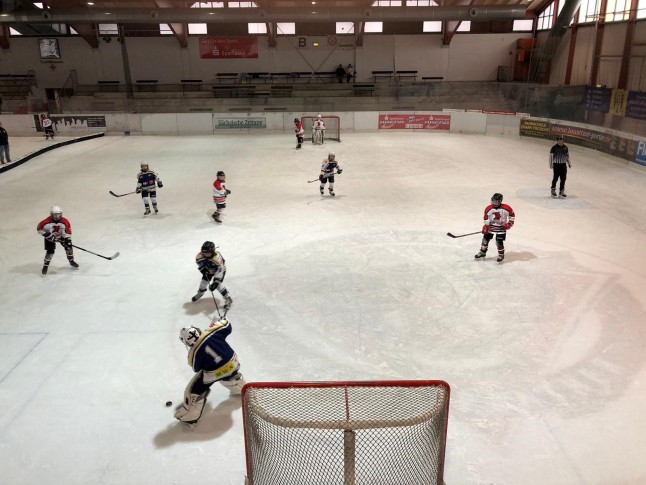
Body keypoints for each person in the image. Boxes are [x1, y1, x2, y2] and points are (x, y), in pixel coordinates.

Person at [174, 318, 247, 425]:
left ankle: (192, 414)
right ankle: (241, 387)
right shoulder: (212, 331)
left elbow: (196, 368)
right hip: (233, 363)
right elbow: (227, 324)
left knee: (195, 387)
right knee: (229, 374)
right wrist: (217, 322)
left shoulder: (192, 354)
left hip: (215, 373)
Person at [36, 206, 78, 275]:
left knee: (69, 247)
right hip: (50, 238)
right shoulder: (45, 222)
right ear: (51, 214)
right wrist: (48, 236)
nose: (56, 216)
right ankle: (45, 266)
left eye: (58, 214)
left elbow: (68, 231)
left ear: (61, 214)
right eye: (55, 214)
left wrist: (68, 239)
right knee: (50, 252)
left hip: (61, 236)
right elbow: (39, 229)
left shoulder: (65, 221)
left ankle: (71, 261)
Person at [191, 241, 233, 310]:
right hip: (209, 269)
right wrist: (202, 269)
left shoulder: (217, 258)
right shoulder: (200, 255)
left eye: (208, 253)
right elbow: (198, 262)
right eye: (204, 253)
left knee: (218, 285)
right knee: (203, 282)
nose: (206, 254)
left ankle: (228, 298)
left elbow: (220, 268)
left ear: (212, 251)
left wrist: (216, 281)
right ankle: (200, 293)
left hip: (219, 269)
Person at [475, 193, 515, 263]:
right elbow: (486, 218)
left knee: (499, 242)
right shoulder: (488, 208)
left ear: (500, 201)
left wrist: (509, 224)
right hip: (491, 227)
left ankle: (501, 254)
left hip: (501, 228)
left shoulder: (506, 208)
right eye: (493, 201)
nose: (494, 202)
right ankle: (482, 252)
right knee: (485, 240)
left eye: (496, 201)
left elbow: (512, 216)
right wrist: (486, 226)